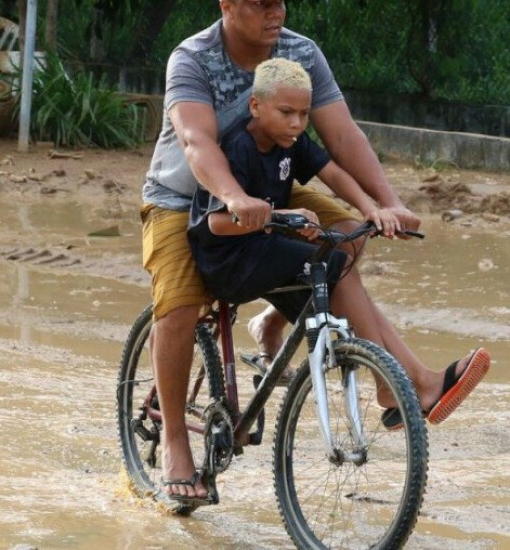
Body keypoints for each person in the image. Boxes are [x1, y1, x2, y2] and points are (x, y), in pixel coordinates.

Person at [139, 0, 489, 504]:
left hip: (270, 190)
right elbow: (197, 141)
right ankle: (175, 439)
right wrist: (236, 199)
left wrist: (386, 203)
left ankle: (290, 330)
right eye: (260, 4)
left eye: (279, 1)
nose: (274, 11)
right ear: (228, 5)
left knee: (346, 234)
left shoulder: (300, 52)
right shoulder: (193, 57)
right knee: (178, 303)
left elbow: (341, 137)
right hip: (188, 197)